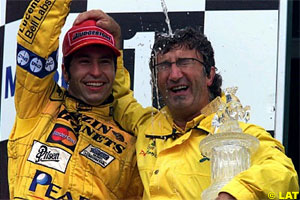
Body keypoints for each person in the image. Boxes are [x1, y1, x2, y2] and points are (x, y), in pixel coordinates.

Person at [75, 10, 299, 200]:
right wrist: (115, 41)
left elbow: (285, 176)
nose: (174, 74)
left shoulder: (235, 134)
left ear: (209, 75)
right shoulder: (147, 125)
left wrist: (233, 194)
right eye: (164, 66)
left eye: (185, 62)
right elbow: (120, 96)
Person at [7, 1, 143, 199]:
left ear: (116, 70)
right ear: (66, 72)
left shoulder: (130, 144)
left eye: (104, 62)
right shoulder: (39, 104)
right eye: (84, 61)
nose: (96, 72)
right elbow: (36, 41)